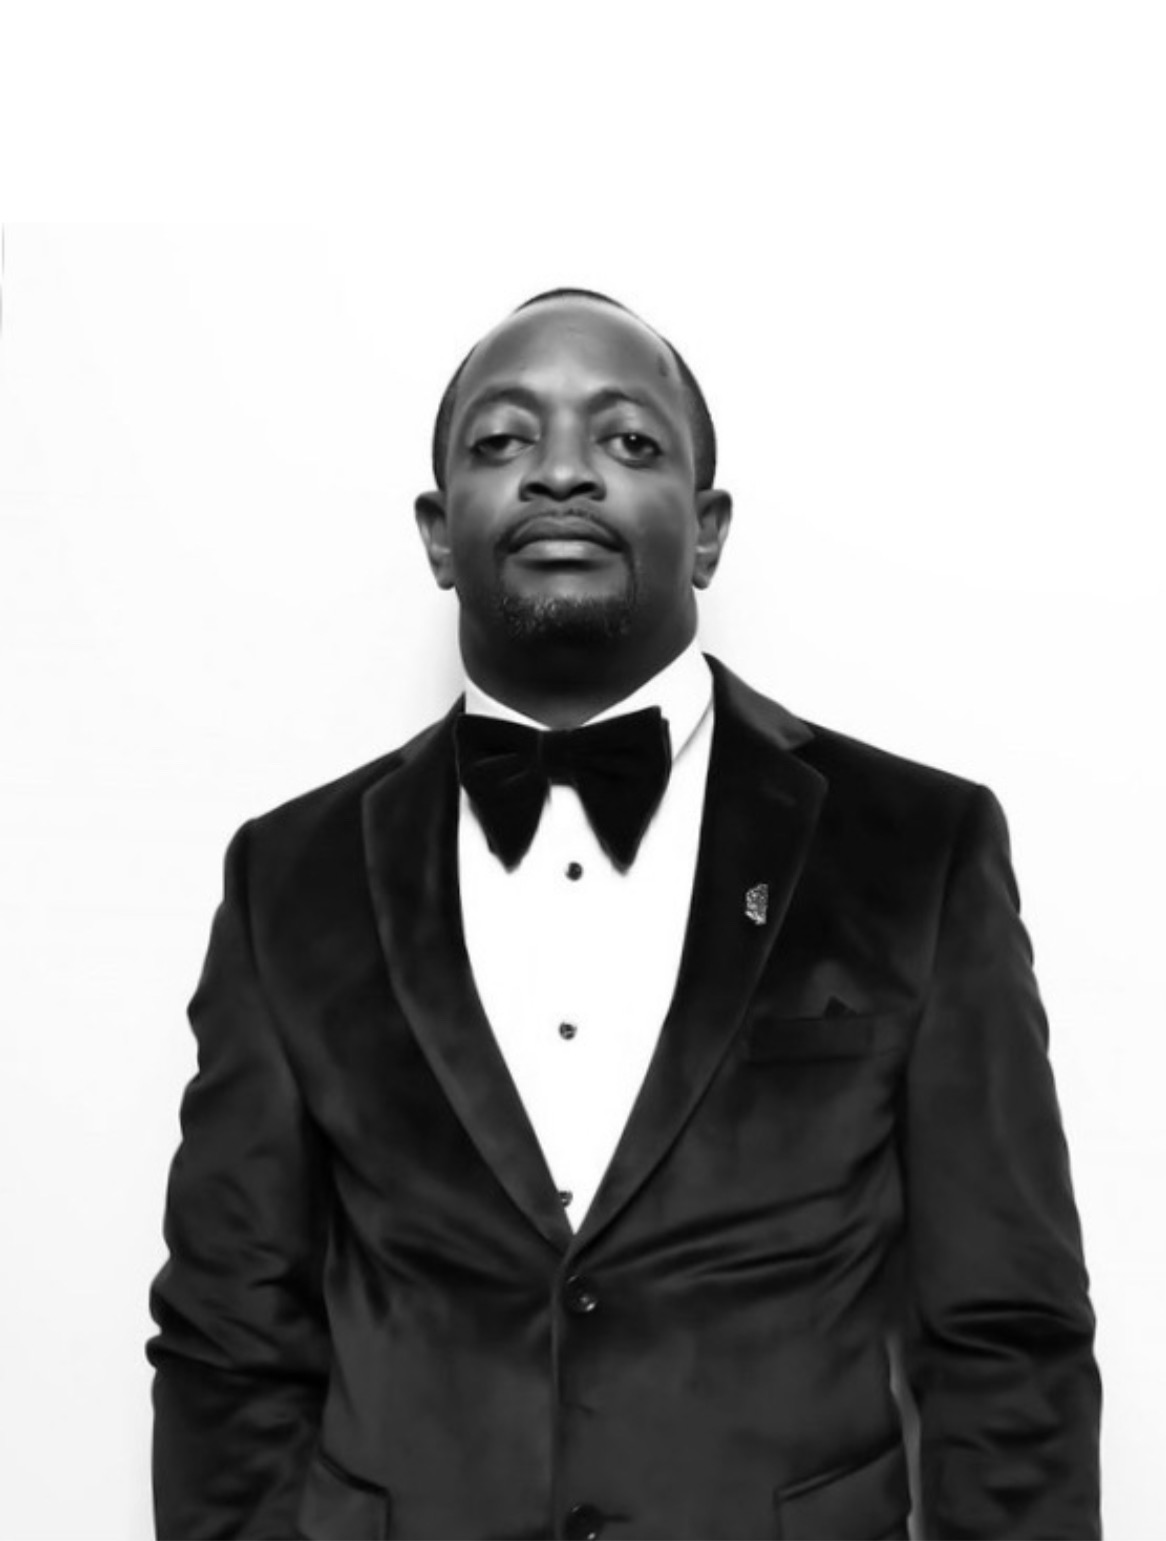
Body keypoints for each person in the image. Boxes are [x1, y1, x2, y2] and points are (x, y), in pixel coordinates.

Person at [147, 288, 1101, 1540]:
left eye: (629, 440)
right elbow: (229, 1340)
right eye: (503, 439)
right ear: (438, 534)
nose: (561, 472)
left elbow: (1006, 1335)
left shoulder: (918, 847)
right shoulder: (288, 875)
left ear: (707, 530)